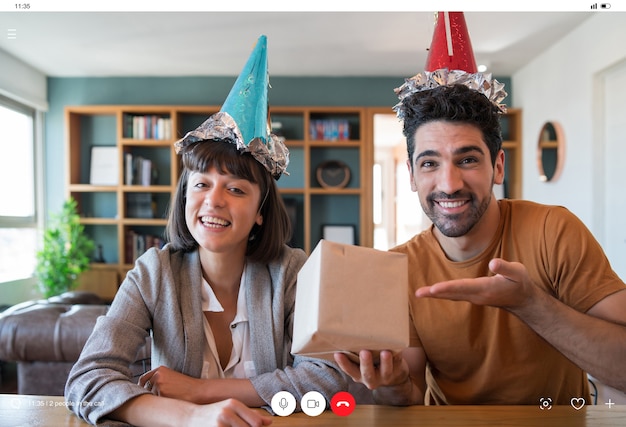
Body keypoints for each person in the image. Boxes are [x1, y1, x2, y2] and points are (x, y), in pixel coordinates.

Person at [65, 36, 349, 426]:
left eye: (235, 189)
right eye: (201, 185)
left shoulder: (293, 272)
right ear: (185, 197)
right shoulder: (153, 273)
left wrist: (201, 391)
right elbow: (87, 381)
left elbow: (327, 377)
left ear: (261, 211)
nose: (214, 201)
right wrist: (186, 416)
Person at [335, 78, 626, 406]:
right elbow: (410, 394)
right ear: (412, 176)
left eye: (468, 160)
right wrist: (392, 382)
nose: (449, 184)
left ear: (498, 166)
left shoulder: (554, 231)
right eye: (430, 163)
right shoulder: (399, 267)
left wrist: (530, 304)